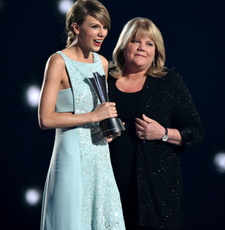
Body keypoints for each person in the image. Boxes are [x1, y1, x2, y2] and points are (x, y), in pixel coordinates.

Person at [108, 17, 205, 230]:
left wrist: (162, 133)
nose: (142, 47)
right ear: (124, 46)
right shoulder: (105, 81)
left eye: (149, 43)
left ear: (156, 51)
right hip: (109, 189)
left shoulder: (169, 82)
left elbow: (196, 131)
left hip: (156, 196)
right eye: (135, 41)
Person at [38, 0, 126, 229]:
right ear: (76, 28)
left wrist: (106, 129)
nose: (102, 33)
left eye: (105, 27)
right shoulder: (58, 61)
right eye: (95, 26)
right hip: (70, 156)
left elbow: (99, 112)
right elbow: (45, 119)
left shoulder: (102, 63)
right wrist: (93, 116)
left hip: (99, 156)